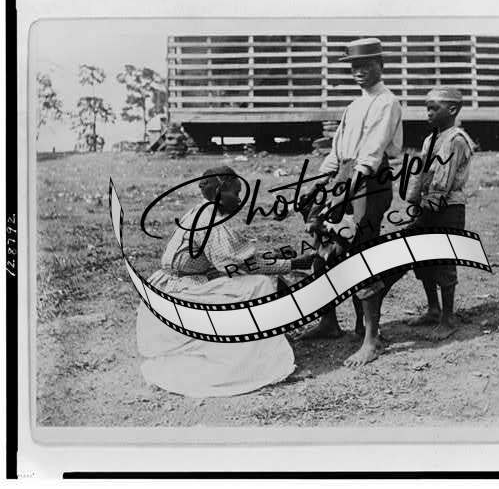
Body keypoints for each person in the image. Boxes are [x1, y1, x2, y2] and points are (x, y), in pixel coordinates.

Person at [136, 166, 314, 398]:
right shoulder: (211, 221)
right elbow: (246, 264)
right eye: (235, 192)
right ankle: (267, 363)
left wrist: (277, 258)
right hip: (181, 292)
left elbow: (233, 258)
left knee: (245, 284)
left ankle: (269, 343)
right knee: (260, 285)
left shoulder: (202, 210)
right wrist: (292, 264)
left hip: (169, 285)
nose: (239, 199)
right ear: (220, 190)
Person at [299, 37, 403, 367]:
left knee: (359, 252)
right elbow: (337, 152)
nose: (359, 71)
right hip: (345, 176)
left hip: (368, 181)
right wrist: (319, 185)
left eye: (366, 65)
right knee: (323, 247)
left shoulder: (387, 102)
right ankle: (329, 322)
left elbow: (372, 153)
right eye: (355, 66)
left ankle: (371, 338)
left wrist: (344, 192)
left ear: (380, 66)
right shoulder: (353, 106)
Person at [403, 87, 475, 340]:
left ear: (452, 109)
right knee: (423, 259)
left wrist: (426, 206)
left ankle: (448, 318)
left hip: (448, 208)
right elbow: (421, 172)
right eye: (427, 109)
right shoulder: (430, 139)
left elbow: (443, 181)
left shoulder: (456, 140)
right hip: (428, 205)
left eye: (434, 108)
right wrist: (414, 200)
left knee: (444, 261)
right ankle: (433, 309)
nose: (429, 113)